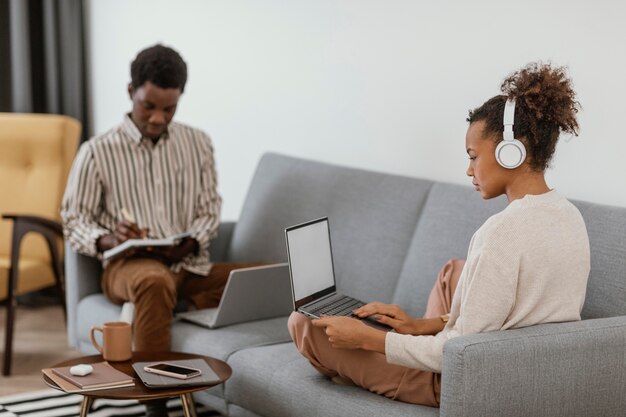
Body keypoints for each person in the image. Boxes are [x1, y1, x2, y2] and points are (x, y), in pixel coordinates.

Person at [288, 62, 591, 407]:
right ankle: (366, 367)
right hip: (524, 367)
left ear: (513, 151)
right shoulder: (570, 216)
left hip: (464, 379)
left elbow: (462, 353)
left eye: (473, 156)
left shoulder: (501, 231)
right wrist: (421, 325)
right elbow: (510, 316)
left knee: (303, 323)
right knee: (453, 271)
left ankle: (367, 375)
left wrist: (369, 340)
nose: (469, 169)